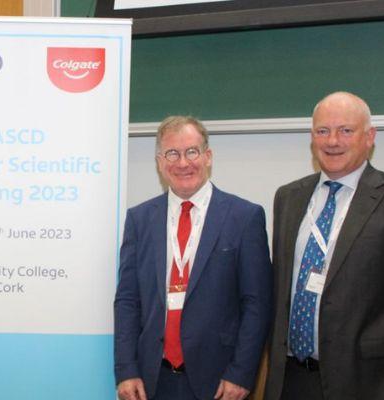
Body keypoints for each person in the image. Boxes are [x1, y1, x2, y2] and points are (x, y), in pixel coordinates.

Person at [264, 92, 384, 399]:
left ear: (369, 136)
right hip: (292, 381)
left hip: (372, 384)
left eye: (346, 130)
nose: (333, 141)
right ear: (312, 137)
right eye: (323, 131)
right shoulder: (288, 198)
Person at [114, 116, 272, 400]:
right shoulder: (139, 219)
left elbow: (256, 304)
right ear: (160, 162)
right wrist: (126, 369)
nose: (182, 163)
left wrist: (241, 373)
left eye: (191, 152)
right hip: (152, 379)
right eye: (172, 154)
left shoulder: (244, 217)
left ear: (208, 156)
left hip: (219, 381)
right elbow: (127, 299)